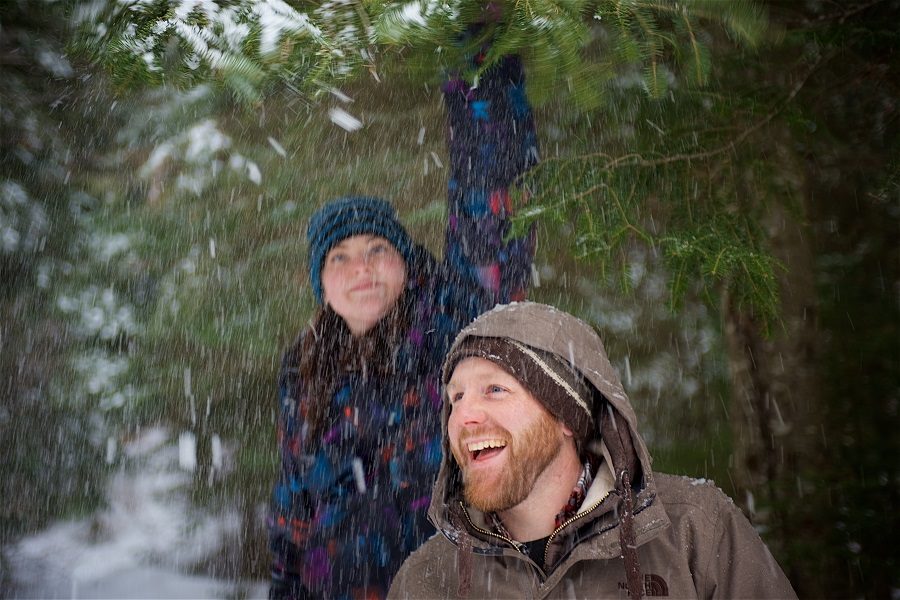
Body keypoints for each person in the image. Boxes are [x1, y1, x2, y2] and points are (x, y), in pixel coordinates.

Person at [266, 48, 539, 599]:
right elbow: (293, 507)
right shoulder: (304, 367)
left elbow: (490, 205)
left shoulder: (456, 323)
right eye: (338, 257)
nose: (360, 267)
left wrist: (477, 66)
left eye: (375, 248)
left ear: (403, 260)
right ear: (322, 286)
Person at [388, 301, 798, 599]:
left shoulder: (695, 531)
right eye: (455, 398)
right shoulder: (425, 579)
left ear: (567, 415)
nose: (463, 417)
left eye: (495, 390)